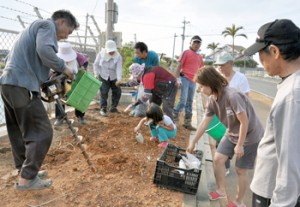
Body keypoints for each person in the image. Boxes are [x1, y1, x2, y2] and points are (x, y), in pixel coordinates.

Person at [0, 10, 79, 190]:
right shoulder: (47, 25)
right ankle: (27, 179)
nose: (66, 36)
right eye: (69, 30)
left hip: (8, 84)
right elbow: (44, 50)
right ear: (61, 21)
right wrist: (63, 68)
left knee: (19, 132)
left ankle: (24, 171)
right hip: (22, 86)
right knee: (43, 132)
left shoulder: (30, 30)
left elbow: (31, 57)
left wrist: (46, 75)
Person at [186, 66, 264, 207]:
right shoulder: (212, 99)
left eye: (202, 86)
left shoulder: (232, 96)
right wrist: (193, 142)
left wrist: (240, 145)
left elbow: (244, 122)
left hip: (249, 135)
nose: (200, 89)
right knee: (218, 159)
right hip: (231, 132)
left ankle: (239, 202)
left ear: (210, 83)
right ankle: (221, 190)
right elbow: (204, 123)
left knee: (240, 169)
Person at [244, 19, 300, 207]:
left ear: (275, 52)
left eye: (261, 55)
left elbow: (290, 160)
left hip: (272, 193)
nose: (260, 61)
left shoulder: (292, 94)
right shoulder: (291, 84)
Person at [214, 52, 251, 176]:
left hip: (237, 117)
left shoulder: (241, 78)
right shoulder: (217, 77)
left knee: (236, 141)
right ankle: (225, 165)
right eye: (218, 65)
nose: (220, 67)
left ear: (230, 64)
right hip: (222, 116)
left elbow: (246, 98)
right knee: (220, 141)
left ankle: (236, 165)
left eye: (222, 65)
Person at [54, 42, 89, 126]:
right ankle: (60, 118)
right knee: (59, 98)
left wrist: (83, 68)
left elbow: (85, 61)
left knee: (79, 98)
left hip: (75, 80)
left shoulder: (78, 56)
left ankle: (80, 116)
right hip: (61, 80)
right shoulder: (55, 58)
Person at [173, 35, 204, 130]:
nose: (196, 44)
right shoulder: (186, 52)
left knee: (190, 101)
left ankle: (187, 122)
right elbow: (179, 65)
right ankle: (174, 118)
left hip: (193, 81)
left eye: (198, 43)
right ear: (190, 42)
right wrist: (177, 78)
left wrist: (200, 84)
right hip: (184, 78)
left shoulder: (199, 57)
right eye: (194, 42)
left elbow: (201, 70)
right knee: (183, 99)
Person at [93, 40, 123, 116]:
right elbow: (96, 65)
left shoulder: (118, 56)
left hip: (114, 76)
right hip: (103, 75)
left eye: (112, 51)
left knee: (117, 91)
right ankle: (103, 108)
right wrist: (96, 74)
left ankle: (113, 107)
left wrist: (119, 79)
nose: (111, 53)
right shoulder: (100, 54)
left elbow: (119, 68)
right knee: (104, 92)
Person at [132, 42, 160, 117]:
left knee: (150, 95)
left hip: (152, 79)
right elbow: (136, 72)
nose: (137, 55)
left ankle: (151, 112)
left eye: (138, 53)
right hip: (142, 79)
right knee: (139, 93)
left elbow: (156, 71)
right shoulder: (136, 59)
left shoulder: (154, 56)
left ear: (144, 52)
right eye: (136, 53)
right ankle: (135, 110)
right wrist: (136, 81)